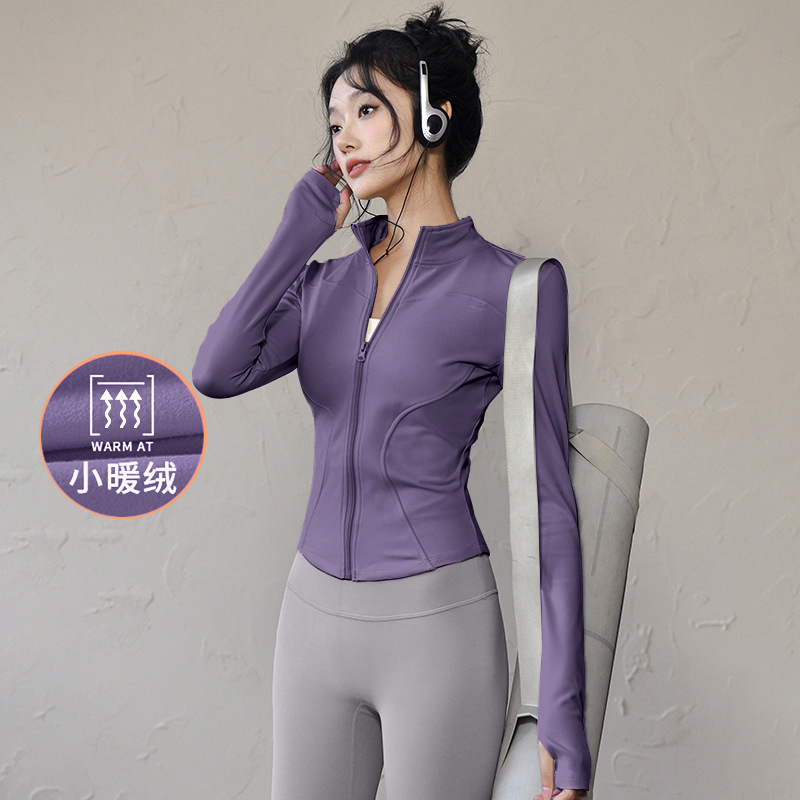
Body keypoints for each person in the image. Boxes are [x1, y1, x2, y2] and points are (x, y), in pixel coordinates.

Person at [191, 4, 591, 799]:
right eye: (335, 120)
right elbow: (215, 369)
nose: (343, 136)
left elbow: (551, 507)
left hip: (436, 629)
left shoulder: (515, 289)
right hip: (311, 622)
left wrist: (562, 717)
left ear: (435, 117)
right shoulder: (322, 285)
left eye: (367, 109)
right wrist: (297, 233)